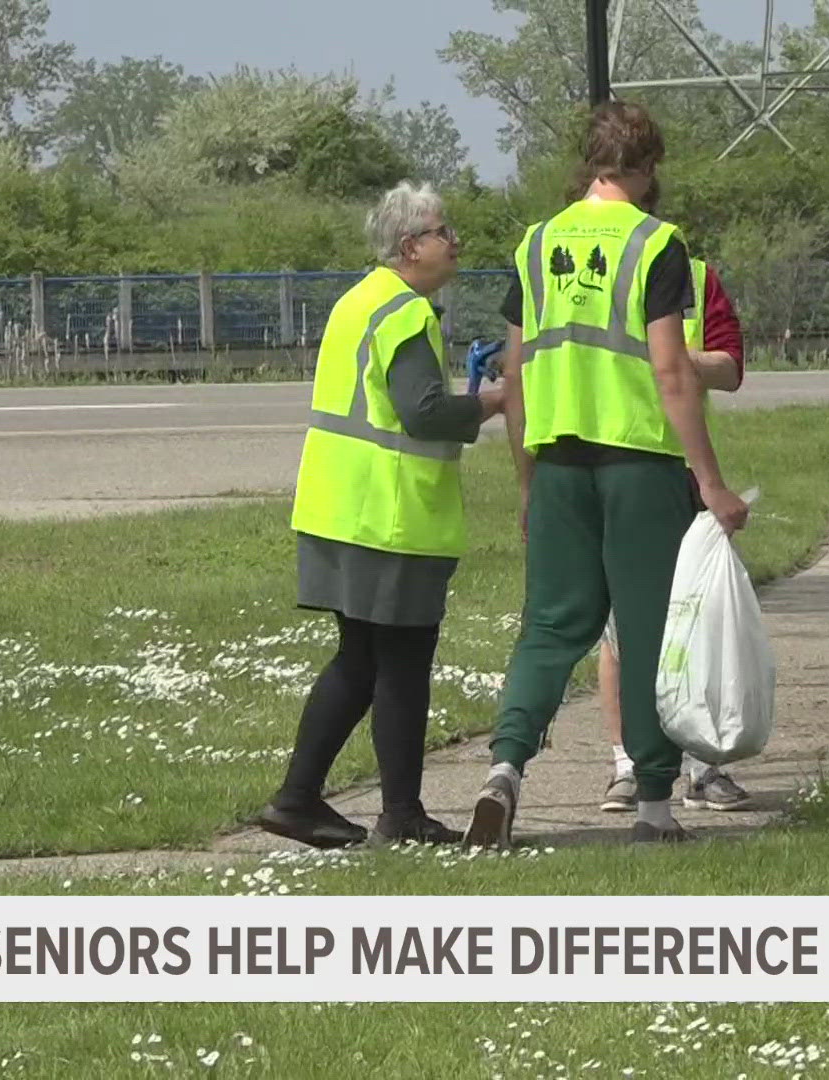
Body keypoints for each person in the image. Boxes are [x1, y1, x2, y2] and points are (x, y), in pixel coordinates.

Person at [466, 101, 748, 848]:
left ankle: (505, 770)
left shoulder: (535, 244)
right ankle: (654, 806)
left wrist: (528, 480)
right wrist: (711, 481)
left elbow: (516, 372)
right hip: (639, 464)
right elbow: (670, 368)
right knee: (649, 629)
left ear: (588, 161)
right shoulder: (656, 243)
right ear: (649, 168)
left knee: (551, 626)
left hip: (559, 461)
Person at [257, 181, 503, 849]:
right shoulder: (404, 312)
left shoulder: (357, 301)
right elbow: (422, 412)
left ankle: (299, 799)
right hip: (389, 517)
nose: (456, 243)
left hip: (339, 508)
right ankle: (399, 816)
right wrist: (494, 401)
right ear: (410, 246)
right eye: (444, 232)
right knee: (398, 663)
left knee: (363, 660)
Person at [596, 177, 752, 815]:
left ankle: (702, 764)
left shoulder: (692, 270)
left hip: (678, 467)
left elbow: (733, 365)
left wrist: (679, 360)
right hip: (614, 463)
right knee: (618, 629)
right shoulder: (589, 268)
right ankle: (627, 764)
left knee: (692, 617)